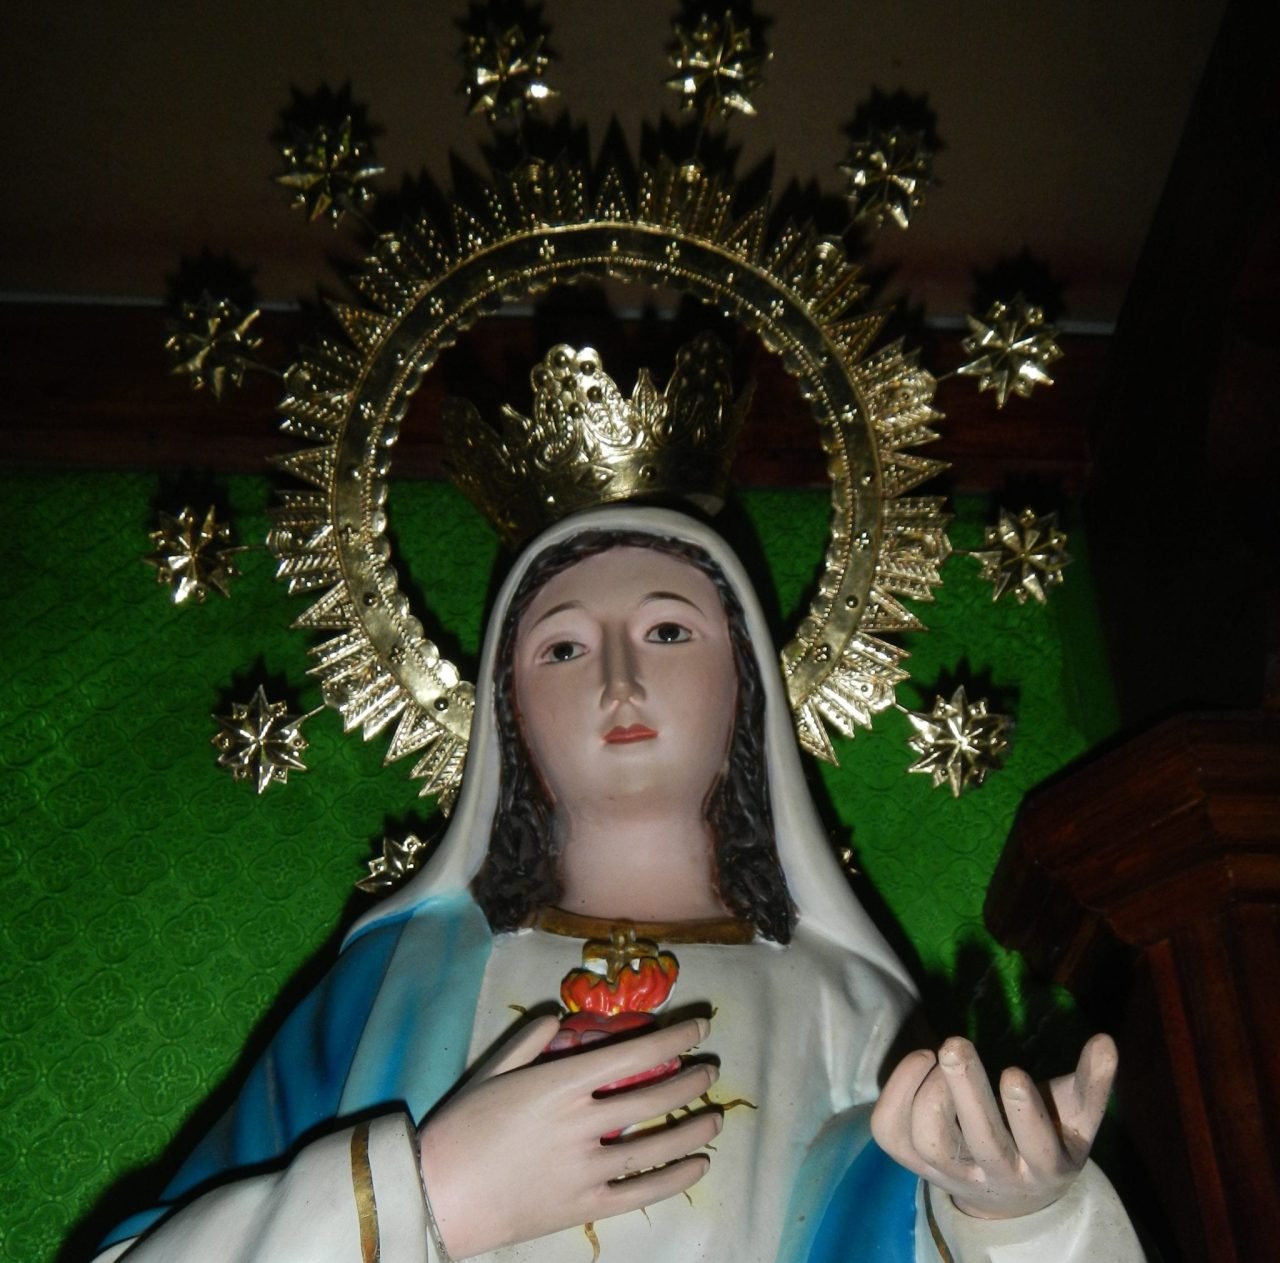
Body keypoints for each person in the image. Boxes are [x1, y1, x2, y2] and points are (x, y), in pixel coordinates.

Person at [93, 506, 1144, 1262]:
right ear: (507, 710)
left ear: (747, 684)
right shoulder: (397, 984)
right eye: (561, 648)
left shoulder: (849, 1012)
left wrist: (1017, 1223)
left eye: (668, 632)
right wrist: (426, 1195)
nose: (618, 681)